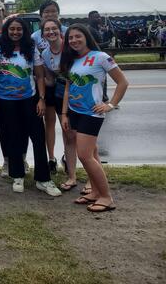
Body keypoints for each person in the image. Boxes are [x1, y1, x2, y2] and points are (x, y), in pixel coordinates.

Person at [60, 24, 128, 212]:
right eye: (70, 38)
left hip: (91, 114)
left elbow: (122, 82)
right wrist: (64, 113)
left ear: (86, 37)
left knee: (84, 155)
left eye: (77, 36)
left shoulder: (101, 57)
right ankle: (96, 192)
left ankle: (106, 197)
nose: (73, 40)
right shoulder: (72, 60)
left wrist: (110, 105)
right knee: (93, 154)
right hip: (74, 111)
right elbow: (68, 89)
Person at [0, 17, 61, 197]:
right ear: (7, 30)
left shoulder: (31, 49)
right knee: (14, 138)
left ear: (24, 31)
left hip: (29, 99)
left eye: (19, 29)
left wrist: (41, 99)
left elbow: (39, 76)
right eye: (12, 29)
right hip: (6, 100)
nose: (15, 32)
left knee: (38, 137)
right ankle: (17, 175)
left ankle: (43, 179)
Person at [40, 19, 77, 187]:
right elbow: (49, 80)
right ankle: (56, 161)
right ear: (43, 34)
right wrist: (34, 78)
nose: (51, 32)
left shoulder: (71, 48)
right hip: (56, 95)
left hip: (75, 96)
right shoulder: (45, 54)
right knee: (59, 127)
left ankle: (72, 169)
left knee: (72, 133)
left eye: (54, 28)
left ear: (60, 30)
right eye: (47, 30)